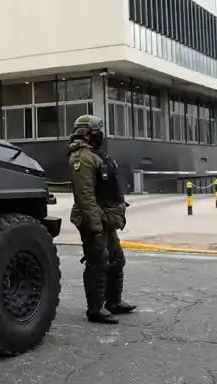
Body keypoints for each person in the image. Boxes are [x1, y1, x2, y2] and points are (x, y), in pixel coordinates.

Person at [67, 114, 136, 324]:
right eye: (97, 132)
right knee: (98, 262)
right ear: (88, 134)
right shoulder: (82, 158)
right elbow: (84, 196)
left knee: (116, 259)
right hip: (93, 220)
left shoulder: (95, 155)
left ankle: (113, 302)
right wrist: (95, 224)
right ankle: (95, 309)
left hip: (105, 218)